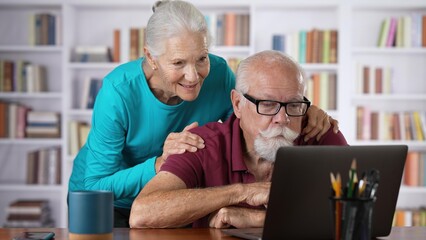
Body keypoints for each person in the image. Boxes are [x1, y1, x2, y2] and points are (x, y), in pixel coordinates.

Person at [68, 0, 338, 227]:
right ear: (151, 58)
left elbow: (256, 107)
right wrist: (159, 164)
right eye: (178, 63)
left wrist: (303, 109)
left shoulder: (219, 74)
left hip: (172, 193)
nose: (193, 75)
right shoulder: (118, 92)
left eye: (201, 58)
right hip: (104, 198)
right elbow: (96, 184)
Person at [129, 50, 348, 229]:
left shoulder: (320, 134)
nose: (282, 119)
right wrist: (241, 193)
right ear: (237, 104)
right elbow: (142, 213)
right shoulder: (201, 144)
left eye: (293, 104)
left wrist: (262, 220)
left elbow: (364, 210)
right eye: (268, 104)